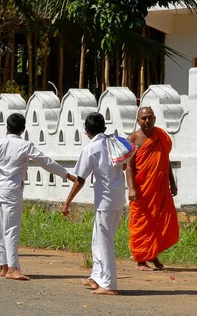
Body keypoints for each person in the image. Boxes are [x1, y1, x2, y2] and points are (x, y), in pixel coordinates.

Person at [0, 113, 75, 280]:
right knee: (11, 229)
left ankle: (2, 265)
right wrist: (66, 175)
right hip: (12, 190)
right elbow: (45, 162)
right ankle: (12, 268)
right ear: (23, 129)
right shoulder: (25, 145)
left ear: (7, 128)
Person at [62, 112, 130, 295]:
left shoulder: (91, 149)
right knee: (97, 238)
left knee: (104, 241)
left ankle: (109, 284)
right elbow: (124, 163)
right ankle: (97, 276)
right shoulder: (112, 142)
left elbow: (80, 180)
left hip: (105, 201)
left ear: (86, 131)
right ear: (103, 127)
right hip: (117, 197)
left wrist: (67, 203)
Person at [126, 106, 179, 271]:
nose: (147, 121)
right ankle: (141, 259)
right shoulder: (133, 139)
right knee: (142, 221)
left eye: (149, 117)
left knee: (159, 221)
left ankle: (152, 254)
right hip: (142, 189)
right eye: (143, 118)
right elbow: (129, 167)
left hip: (160, 187)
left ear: (154, 118)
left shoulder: (161, 136)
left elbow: (165, 160)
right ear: (138, 120)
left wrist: (172, 181)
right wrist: (131, 189)